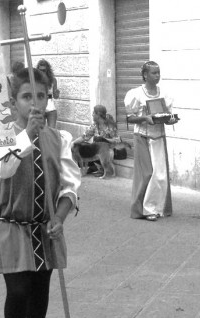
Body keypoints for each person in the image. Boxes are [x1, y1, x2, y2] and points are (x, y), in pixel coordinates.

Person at [0, 67, 80, 318]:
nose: (35, 103)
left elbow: (70, 183)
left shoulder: (60, 138)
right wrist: (27, 134)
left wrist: (60, 216)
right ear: (14, 103)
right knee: (19, 289)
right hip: (11, 226)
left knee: (40, 289)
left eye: (42, 96)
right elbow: (4, 170)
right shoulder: (1, 139)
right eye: (27, 97)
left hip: (45, 228)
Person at [124, 61, 178, 221]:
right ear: (145, 75)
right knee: (147, 173)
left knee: (160, 174)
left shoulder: (165, 94)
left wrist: (171, 120)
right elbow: (130, 118)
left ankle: (156, 207)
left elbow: (168, 115)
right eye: (154, 73)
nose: (157, 76)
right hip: (142, 136)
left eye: (158, 72)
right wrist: (144, 118)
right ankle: (145, 209)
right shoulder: (135, 94)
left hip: (159, 137)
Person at [72, 104, 119, 176]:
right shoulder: (94, 125)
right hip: (97, 150)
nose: (92, 115)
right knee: (81, 148)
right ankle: (95, 167)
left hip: (109, 150)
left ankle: (101, 169)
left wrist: (103, 139)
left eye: (93, 113)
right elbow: (84, 137)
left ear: (98, 115)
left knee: (98, 139)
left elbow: (117, 141)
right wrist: (72, 143)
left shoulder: (110, 125)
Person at [36, 59, 60, 128]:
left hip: (51, 108)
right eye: (40, 70)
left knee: (51, 130)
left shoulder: (53, 80)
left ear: (47, 70)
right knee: (40, 131)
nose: (42, 72)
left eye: (44, 70)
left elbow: (55, 97)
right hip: (40, 107)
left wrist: (56, 94)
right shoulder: (36, 80)